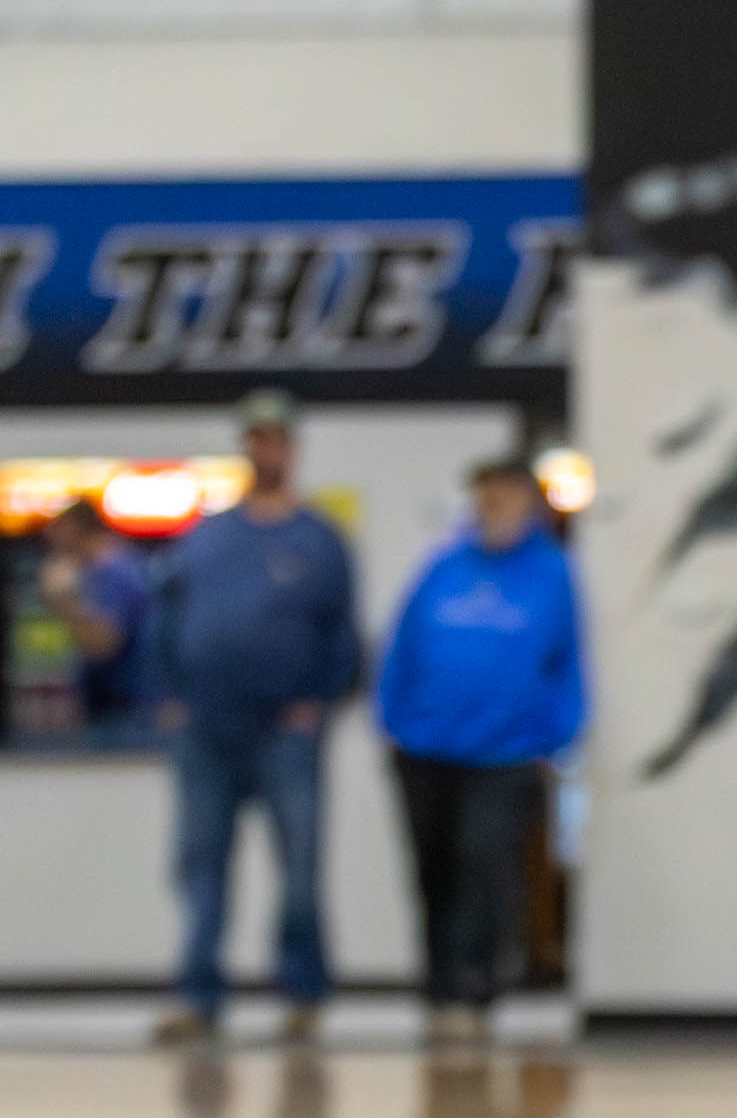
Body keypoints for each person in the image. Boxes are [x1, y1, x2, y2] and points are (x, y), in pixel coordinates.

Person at [148, 391, 362, 1048]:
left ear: (292, 450)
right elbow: (167, 619)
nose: (265, 450)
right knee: (200, 865)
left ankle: (303, 993)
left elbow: (344, 637)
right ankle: (199, 995)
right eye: (255, 438)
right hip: (207, 730)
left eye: (276, 439)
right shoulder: (208, 537)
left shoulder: (320, 540)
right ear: (244, 447)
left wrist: (319, 699)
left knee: (298, 866)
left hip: (284, 732)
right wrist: (170, 695)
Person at [377, 457, 586, 1048]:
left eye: (505, 496)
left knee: (483, 863)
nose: (493, 508)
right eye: (484, 497)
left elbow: (570, 662)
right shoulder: (443, 566)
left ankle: (475, 988)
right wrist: (392, 720)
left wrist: (559, 734)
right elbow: (401, 646)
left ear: (529, 502)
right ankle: (439, 987)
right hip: (424, 747)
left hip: (507, 753)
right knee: (432, 870)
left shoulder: (552, 574)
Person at [39, 497, 154, 744]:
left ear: (74, 531)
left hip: (124, 711)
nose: (51, 541)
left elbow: (103, 645)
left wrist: (62, 600)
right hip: (115, 708)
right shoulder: (107, 568)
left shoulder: (114, 572)